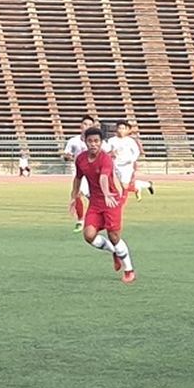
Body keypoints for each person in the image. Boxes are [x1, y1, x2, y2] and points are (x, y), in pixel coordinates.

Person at [70, 127, 136, 284]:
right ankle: (114, 251)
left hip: (111, 201)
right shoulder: (80, 159)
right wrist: (73, 197)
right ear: (85, 142)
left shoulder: (105, 158)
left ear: (101, 143)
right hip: (95, 203)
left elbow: (104, 178)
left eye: (96, 141)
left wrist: (106, 193)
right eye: (90, 141)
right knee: (89, 236)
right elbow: (78, 178)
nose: (93, 144)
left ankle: (129, 270)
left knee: (114, 236)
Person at [106, 120, 153, 203]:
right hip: (116, 165)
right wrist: (111, 154)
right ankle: (142, 185)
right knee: (122, 185)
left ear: (127, 130)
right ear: (116, 129)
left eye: (123, 128)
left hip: (127, 166)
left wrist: (131, 160)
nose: (121, 130)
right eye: (119, 128)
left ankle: (121, 203)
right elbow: (107, 151)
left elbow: (137, 152)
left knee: (124, 186)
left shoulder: (130, 141)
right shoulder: (111, 140)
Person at [63, 115, 95, 232]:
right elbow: (66, 155)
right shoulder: (73, 141)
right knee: (78, 194)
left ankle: (95, 217)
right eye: (85, 124)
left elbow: (105, 152)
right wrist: (67, 157)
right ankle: (81, 220)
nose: (87, 127)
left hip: (92, 171)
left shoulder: (94, 141)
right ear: (81, 126)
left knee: (92, 196)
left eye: (90, 125)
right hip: (77, 171)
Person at [128, 122, 155, 201]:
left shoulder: (133, 140)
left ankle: (139, 190)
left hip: (130, 162)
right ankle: (147, 185)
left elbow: (141, 150)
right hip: (122, 163)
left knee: (129, 181)